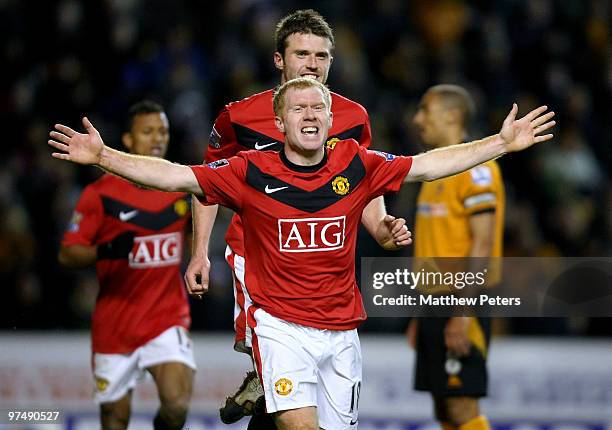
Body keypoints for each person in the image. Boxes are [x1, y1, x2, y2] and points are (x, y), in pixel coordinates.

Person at [49, 77, 555, 430]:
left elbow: (427, 165)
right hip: (280, 327)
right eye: (299, 109)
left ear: (332, 120)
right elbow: (178, 176)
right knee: (296, 425)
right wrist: (104, 158)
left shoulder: (357, 164)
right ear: (280, 121)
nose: (310, 116)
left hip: (341, 331)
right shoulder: (249, 171)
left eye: (319, 108)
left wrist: (500, 144)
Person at [184, 10, 404, 425]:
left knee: (283, 395)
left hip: (322, 257)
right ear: (279, 60)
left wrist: (381, 225)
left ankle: (260, 384)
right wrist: (199, 253)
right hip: (254, 253)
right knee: (275, 357)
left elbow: (364, 181)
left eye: (322, 56)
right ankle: (260, 376)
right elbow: (205, 184)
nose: (313, 64)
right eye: (302, 54)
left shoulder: (352, 117)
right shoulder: (238, 116)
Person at [57, 101, 195, 430]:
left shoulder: (178, 184)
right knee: (115, 419)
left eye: (163, 131)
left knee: (176, 405)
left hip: (166, 316)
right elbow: (67, 254)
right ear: (128, 141)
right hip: (115, 325)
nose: (158, 138)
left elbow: (198, 225)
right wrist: (105, 250)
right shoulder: (100, 194)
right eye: (148, 132)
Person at [406, 85, 505, 430]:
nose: (417, 118)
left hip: (463, 299)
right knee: (444, 408)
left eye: (425, 109)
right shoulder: (435, 170)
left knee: (462, 405)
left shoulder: (477, 168)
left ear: (451, 114)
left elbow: (482, 243)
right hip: (433, 301)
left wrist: (463, 312)